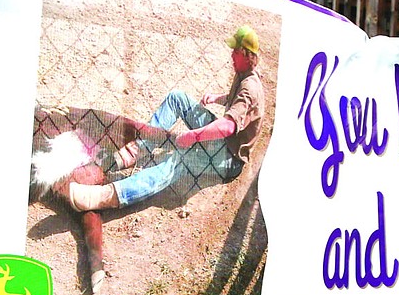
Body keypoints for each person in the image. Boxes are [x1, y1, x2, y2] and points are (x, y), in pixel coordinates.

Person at [62, 25, 265, 212]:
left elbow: (229, 126)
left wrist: (193, 137)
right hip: (222, 140)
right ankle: (136, 150)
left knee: (179, 158)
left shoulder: (250, 88)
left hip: (229, 158)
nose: (231, 55)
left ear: (247, 56)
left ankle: (108, 196)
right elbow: (236, 105)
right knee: (177, 98)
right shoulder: (243, 73)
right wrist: (218, 98)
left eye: (236, 52)